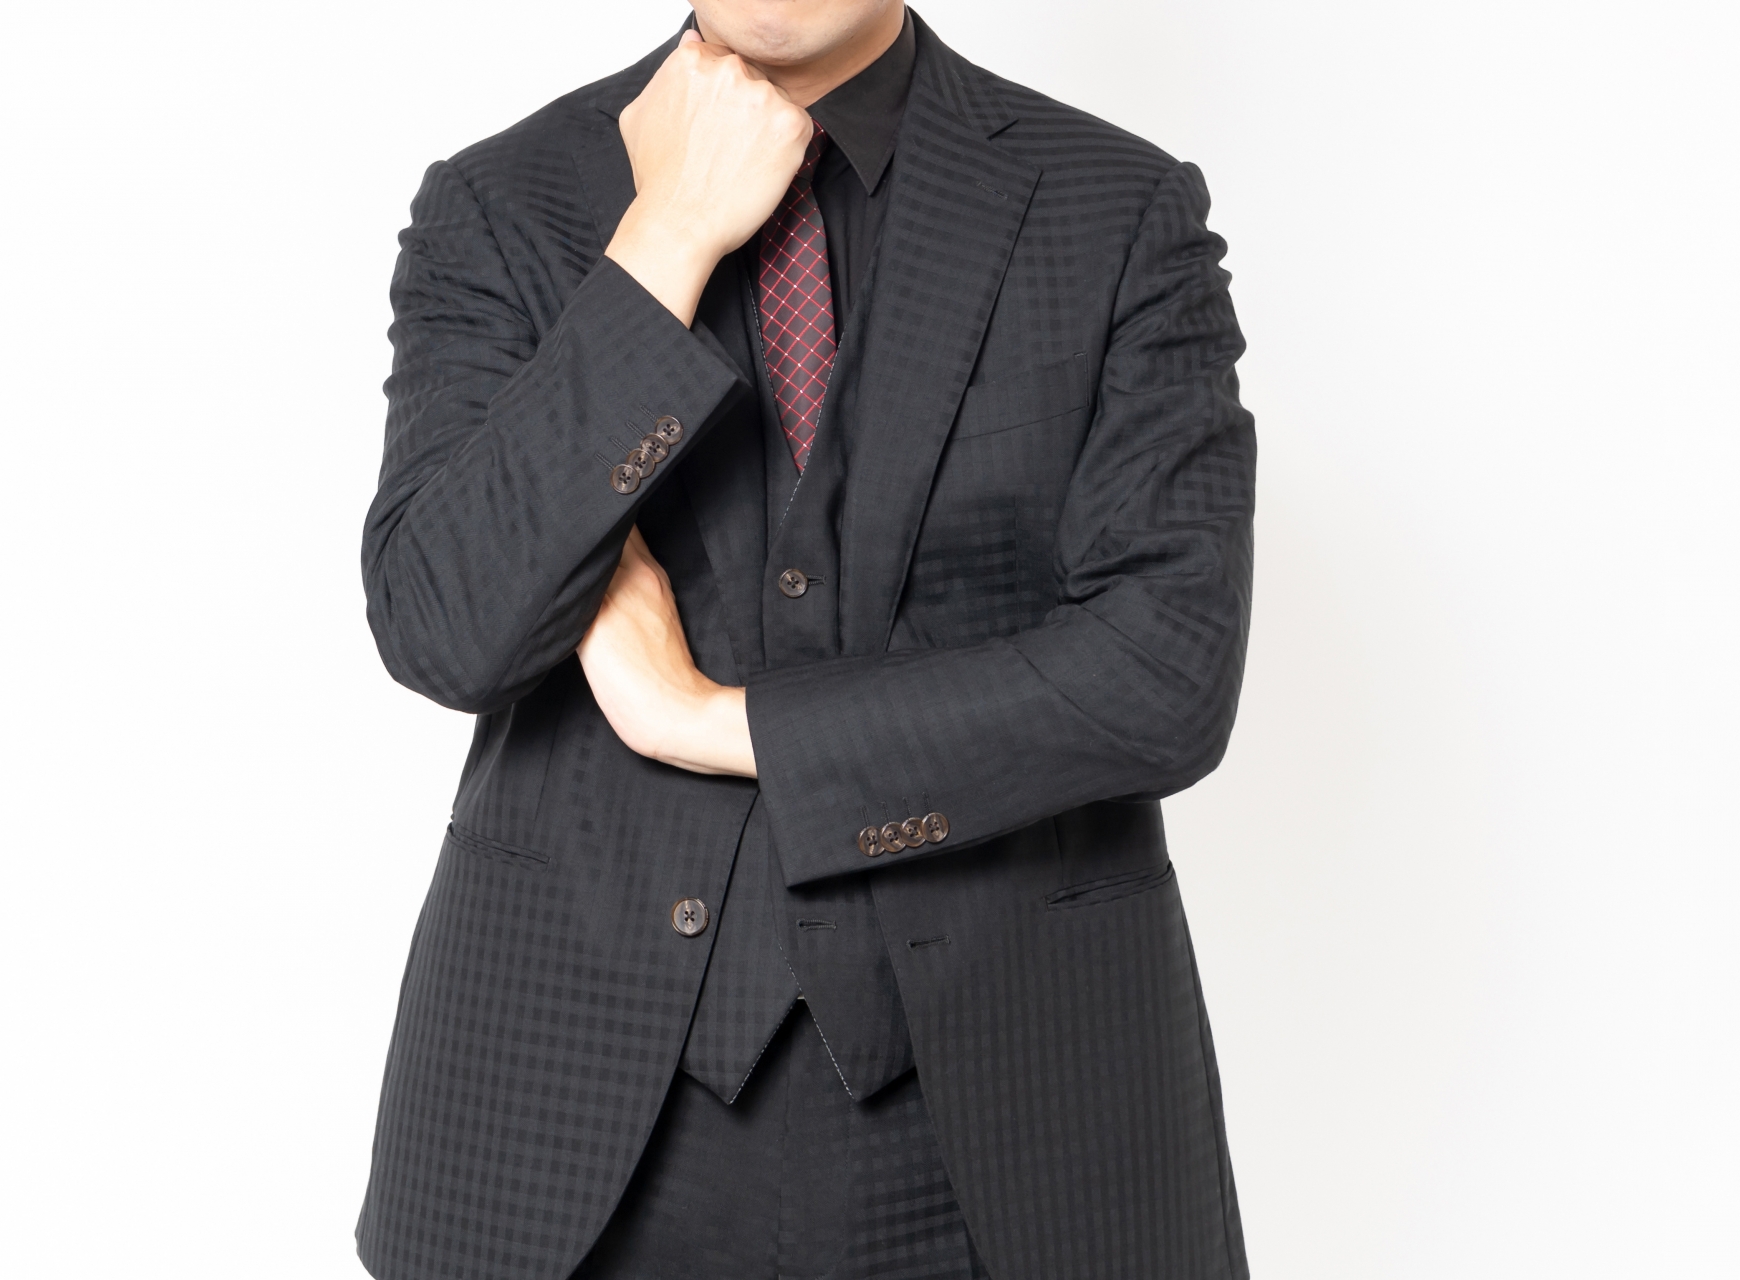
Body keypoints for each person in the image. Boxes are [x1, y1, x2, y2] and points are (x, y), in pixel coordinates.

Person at [355, 2, 1254, 1277]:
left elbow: (1164, 673)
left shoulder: (1115, 208)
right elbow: (444, 623)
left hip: (1014, 1120)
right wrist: (666, 239)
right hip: (571, 1127)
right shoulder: (506, 203)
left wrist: (710, 721)